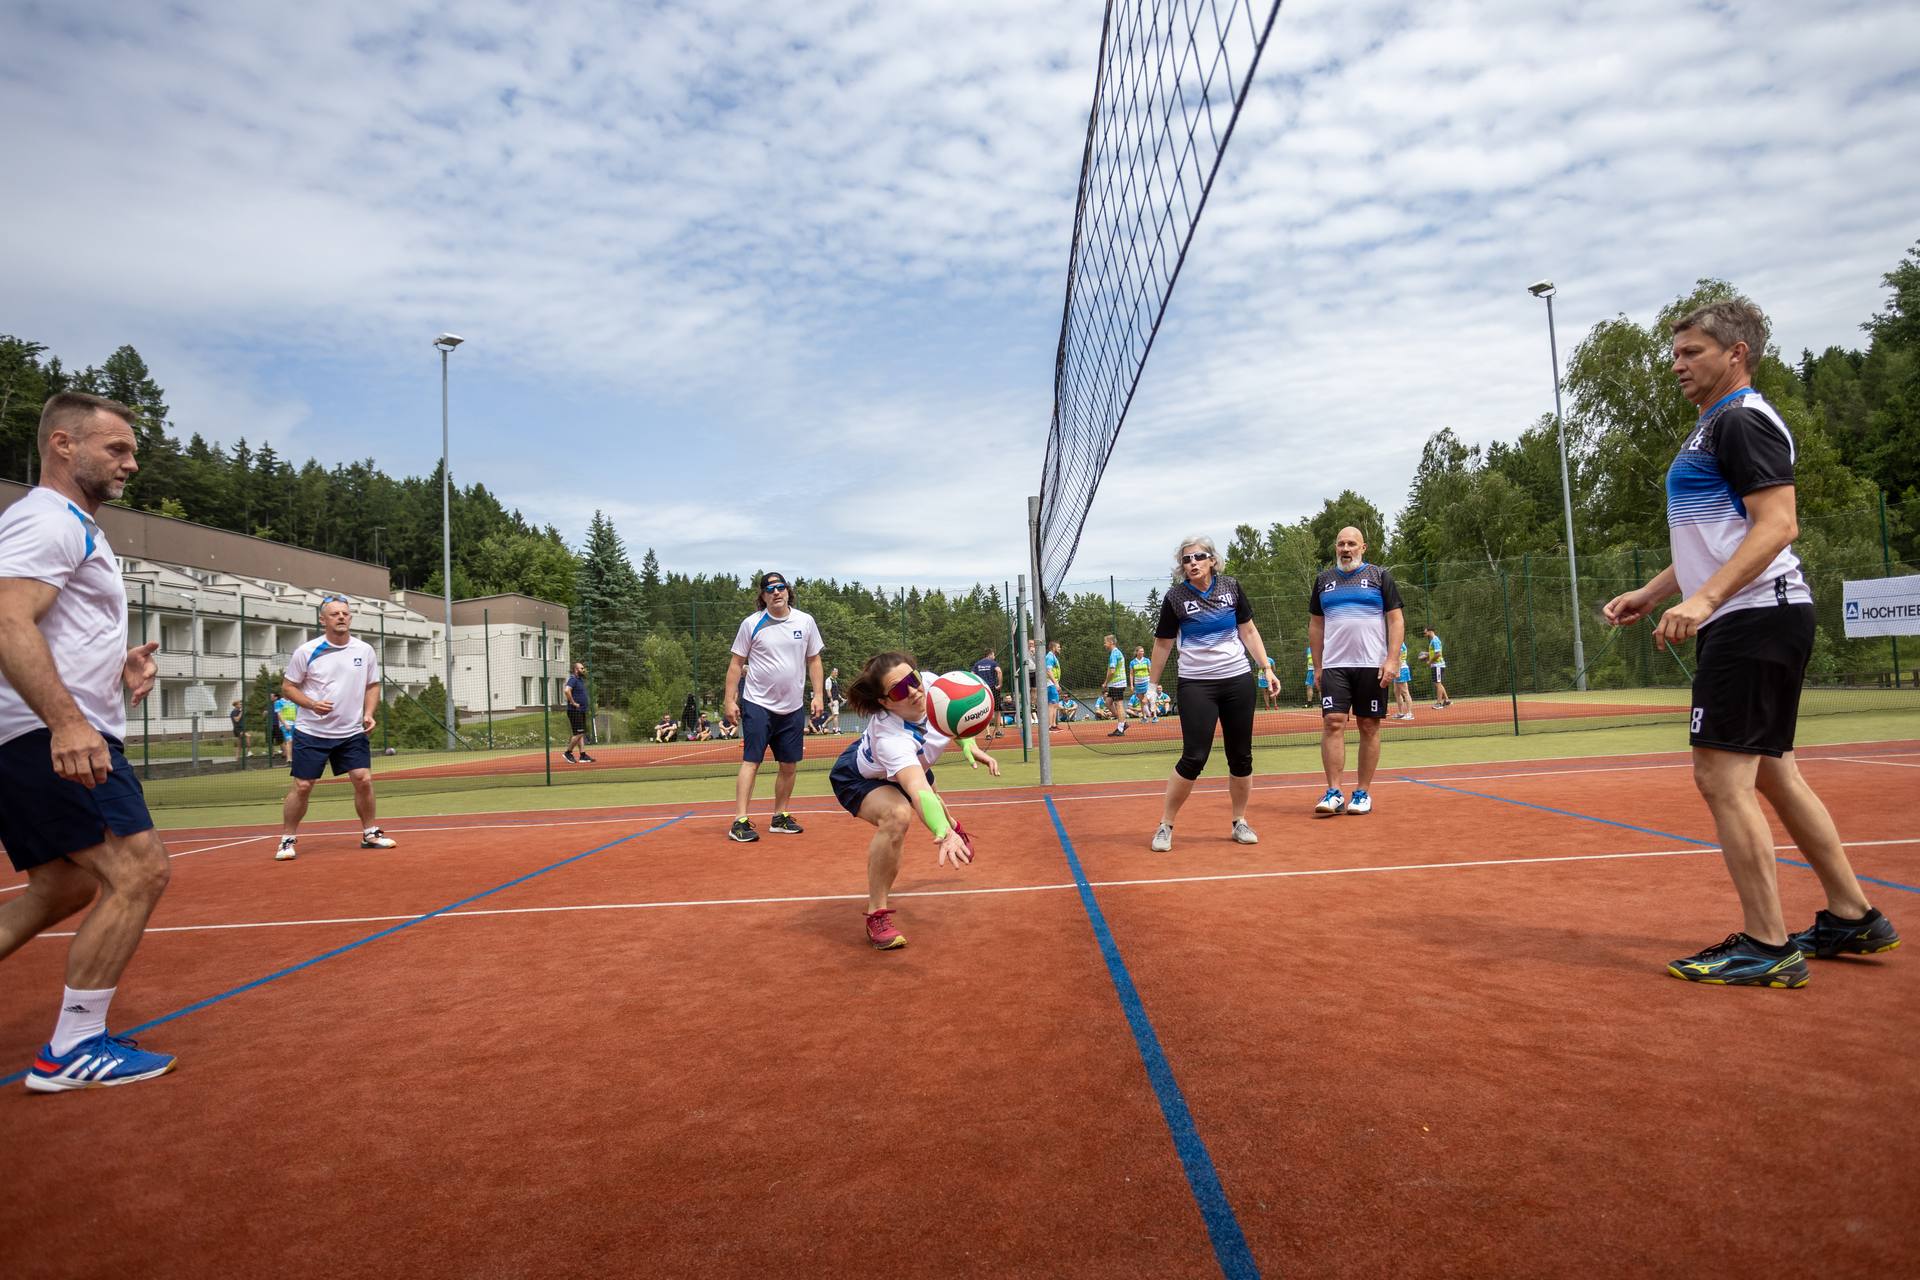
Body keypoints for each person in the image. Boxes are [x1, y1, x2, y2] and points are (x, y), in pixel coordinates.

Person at [1604, 296, 1898, 987]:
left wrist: (1706, 599)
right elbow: (1720, 536)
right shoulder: (1714, 426)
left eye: (1692, 352)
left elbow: (1777, 525)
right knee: (1772, 770)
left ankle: (1768, 945)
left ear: (1736, 353)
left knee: (1719, 776)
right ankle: (1853, 915)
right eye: (1675, 353)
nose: (1677, 365)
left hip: (1754, 616)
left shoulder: (1741, 420)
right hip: (1756, 614)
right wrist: (1658, 591)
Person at [0, 391, 176, 1090]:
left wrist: (117, 665)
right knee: (139, 870)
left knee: (63, 885)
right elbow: (7, 619)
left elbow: (49, 627)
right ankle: (73, 1048)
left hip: (35, 732)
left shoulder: (73, 526)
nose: (131, 464)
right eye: (117, 449)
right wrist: (69, 722)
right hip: (49, 735)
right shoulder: (47, 519)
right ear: (63, 444)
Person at [829, 653, 998, 949]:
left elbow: (953, 713)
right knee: (898, 815)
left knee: (935, 803)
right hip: (859, 776)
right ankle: (876, 914)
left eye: (913, 678)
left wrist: (968, 742)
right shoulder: (891, 739)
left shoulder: (933, 685)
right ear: (884, 702)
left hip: (909, 763)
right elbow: (917, 789)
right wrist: (941, 833)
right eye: (898, 690)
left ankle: (952, 825)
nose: (912, 690)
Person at [1145, 535, 1277, 851]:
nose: (1192, 563)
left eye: (1199, 557)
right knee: (1194, 757)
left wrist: (1266, 668)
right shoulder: (1175, 597)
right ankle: (1165, 825)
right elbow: (1163, 644)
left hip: (1237, 680)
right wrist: (1150, 686)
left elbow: (1248, 630)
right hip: (1196, 684)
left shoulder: (1231, 587)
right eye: (1186, 559)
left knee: (1241, 756)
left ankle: (1239, 821)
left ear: (1212, 561)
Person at [275, 597, 396, 861]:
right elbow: (288, 687)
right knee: (303, 786)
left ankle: (370, 833)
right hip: (311, 731)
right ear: (323, 620)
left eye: (345, 613)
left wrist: (368, 713)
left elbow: (372, 685)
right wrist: (311, 704)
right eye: (334, 614)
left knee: (363, 779)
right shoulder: (306, 651)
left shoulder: (364, 650)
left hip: (351, 732)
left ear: (350, 618)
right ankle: (287, 840)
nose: (341, 617)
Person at [1309, 526, 1405, 817]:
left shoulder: (1379, 576)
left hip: (1371, 664)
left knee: (1368, 725)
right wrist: (1317, 666)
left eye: (1352, 544)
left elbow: (1395, 620)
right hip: (1334, 665)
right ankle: (1334, 792)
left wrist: (1392, 660)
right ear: (1336, 548)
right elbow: (1316, 625)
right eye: (1341, 544)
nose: (1346, 549)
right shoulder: (1323, 581)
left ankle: (1362, 793)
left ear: (1363, 548)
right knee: (1333, 723)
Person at [723, 572, 824, 842]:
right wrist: (729, 700)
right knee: (751, 761)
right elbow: (736, 664)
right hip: (758, 703)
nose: (776, 592)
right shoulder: (751, 624)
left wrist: (818, 695)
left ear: (788, 591)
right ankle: (739, 821)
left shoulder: (805, 621)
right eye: (770, 589)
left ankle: (780, 817)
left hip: (792, 707)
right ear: (763, 596)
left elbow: (814, 660)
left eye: (780, 587)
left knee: (789, 765)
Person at [562, 660, 595, 764]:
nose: (583, 670)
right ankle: (568, 752)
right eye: (582, 668)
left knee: (580, 733)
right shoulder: (573, 679)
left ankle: (582, 755)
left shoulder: (580, 680)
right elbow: (567, 690)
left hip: (581, 710)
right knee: (579, 733)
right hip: (574, 711)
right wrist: (573, 702)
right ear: (576, 670)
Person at [969, 649, 1002, 741]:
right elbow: (999, 671)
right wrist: (1000, 684)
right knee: (997, 710)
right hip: (993, 688)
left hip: (982, 689)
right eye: (993, 655)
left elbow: (971, 674)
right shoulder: (993, 663)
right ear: (990, 655)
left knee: (985, 710)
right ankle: (997, 731)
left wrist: (975, 686)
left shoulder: (977, 664)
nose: (994, 657)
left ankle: (988, 734)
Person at [1102, 634, 1130, 736]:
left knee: (1119, 704)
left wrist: (1106, 682)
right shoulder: (1115, 653)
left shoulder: (1114, 653)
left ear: (1111, 642)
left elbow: (1112, 671)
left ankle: (1120, 728)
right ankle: (1123, 723)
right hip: (1115, 683)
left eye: (1105, 642)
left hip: (1118, 683)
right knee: (1108, 702)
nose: (1104, 644)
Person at [1420, 626, 1452, 708]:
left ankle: (1439, 703)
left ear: (1430, 631)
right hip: (1436, 665)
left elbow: (1438, 654)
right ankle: (1447, 700)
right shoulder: (1433, 640)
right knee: (1437, 683)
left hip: (1438, 665)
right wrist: (1426, 654)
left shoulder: (1435, 640)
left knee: (1438, 683)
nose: (1424, 634)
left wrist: (1429, 661)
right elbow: (1434, 652)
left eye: (1425, 632)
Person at [1129, 646, 1153, 723]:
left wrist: (1152, 681)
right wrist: (1132, 685)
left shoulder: (1147, 660)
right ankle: (1144, 717)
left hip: (1147, 682)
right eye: (1141, 651)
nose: (1142, 652)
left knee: (1149, 699)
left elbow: (1150, 671)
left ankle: (1154, 715)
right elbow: (1131, 674)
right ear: (1137, 652)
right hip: (1138, 684)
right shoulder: (1132, 662)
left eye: (1143, 651)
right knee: (1141, 701)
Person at [1392, 641, 1415, 720]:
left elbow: (1399, 659)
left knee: (1405, 692)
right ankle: (1401, 713)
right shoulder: (1398, 643)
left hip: (1401, 669)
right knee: (1396, 692)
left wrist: (1398, 671)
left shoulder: (1399, 643)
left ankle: (1409, 713)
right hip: (1397, 670)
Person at [1044, 640, 1063, 730]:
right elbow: (1048, 670)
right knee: (1052, 704)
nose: (1060, 648)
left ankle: (1053, 724)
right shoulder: (1050, 657)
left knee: (1055, 704)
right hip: (1050, 683)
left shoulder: (1053, 656)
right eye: (1058, 647)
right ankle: (1049, 725)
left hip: (1053, 682)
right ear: (1053, 647)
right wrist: (1055, 683)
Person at [274, 692, 296, 762]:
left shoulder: (294, 702)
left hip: (295, 724)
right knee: (289, 740)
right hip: (285, 724)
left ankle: (295, 757)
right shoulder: (278, 702)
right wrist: (285, 724)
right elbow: (279, 714)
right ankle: (289, 759)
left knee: (294, 741)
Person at [229, 698, 248, 763]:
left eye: (241, 704)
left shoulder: (239, 711)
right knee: (248, 736)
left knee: (239, 745)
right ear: (236, 705)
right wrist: (241, 712)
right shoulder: (234, 712)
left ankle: (237, 758)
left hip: (242, 728)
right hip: (237, 729)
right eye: (240, 704)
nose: (241, 705)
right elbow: (237, 720)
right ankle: (248, 752)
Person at [824, 666, 842, 731]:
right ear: (832, 672)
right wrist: (831, 700)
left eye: (837, 672)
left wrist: (841, 698)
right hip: (832, 700)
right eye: (835, 672)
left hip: (836, 699)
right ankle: (836, 729)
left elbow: (836, 691)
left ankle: (833, 728)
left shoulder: (835, 680)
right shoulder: (828, 680)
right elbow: (828, 691)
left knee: (835, 715)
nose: (837, 673)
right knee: (835, 714)